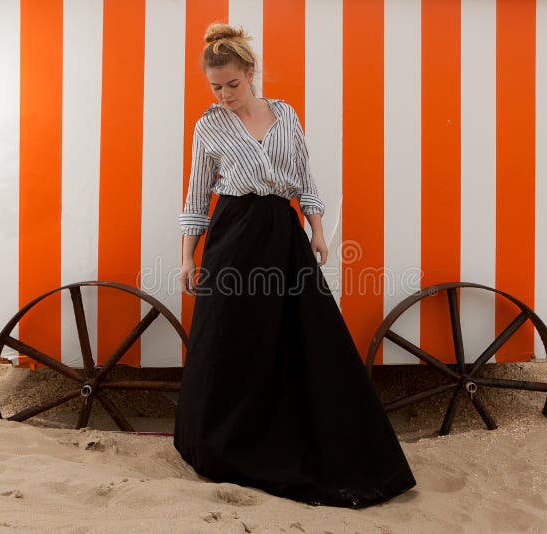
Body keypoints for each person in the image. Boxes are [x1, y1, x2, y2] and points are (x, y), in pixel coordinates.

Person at [173, 23, 416, 509]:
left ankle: (303, 436)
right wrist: (186, 254)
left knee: (304, 334)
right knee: (230, 338)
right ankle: (223, 445)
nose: (224, 95)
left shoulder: (285, 116)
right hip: (233, 237)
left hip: (284, 237)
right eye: (215, 87)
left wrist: (319, 229)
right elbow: (198, 194)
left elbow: (305, 179)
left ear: (251, 73)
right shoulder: (208, 126)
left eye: (232, 85)